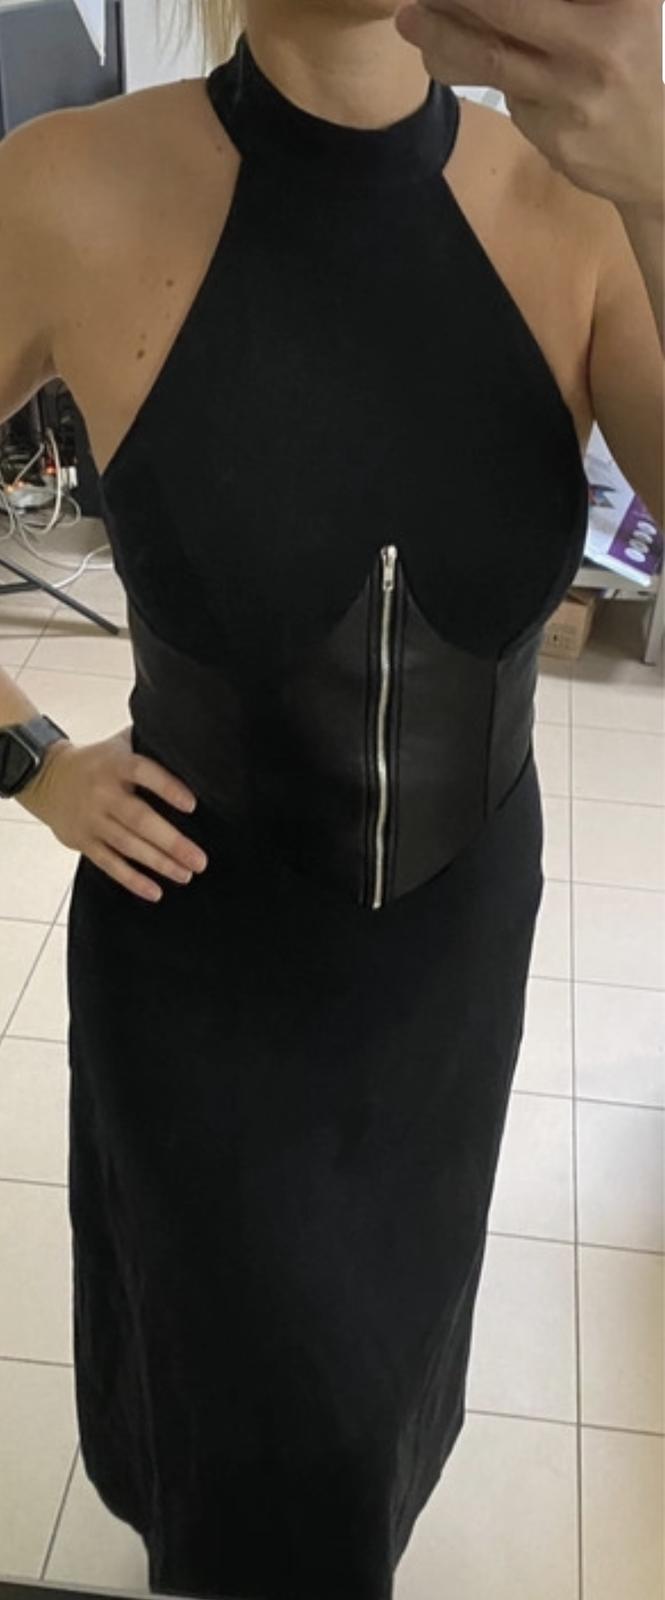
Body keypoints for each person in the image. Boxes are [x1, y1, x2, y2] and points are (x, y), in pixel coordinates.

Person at [0, 3, 661, 1597]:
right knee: (233, 1415)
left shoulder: (579, 204)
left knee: (372, 1397)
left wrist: (655, 181)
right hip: (198, 963)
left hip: (451, 958)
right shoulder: (63, 186)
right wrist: (31, 759)